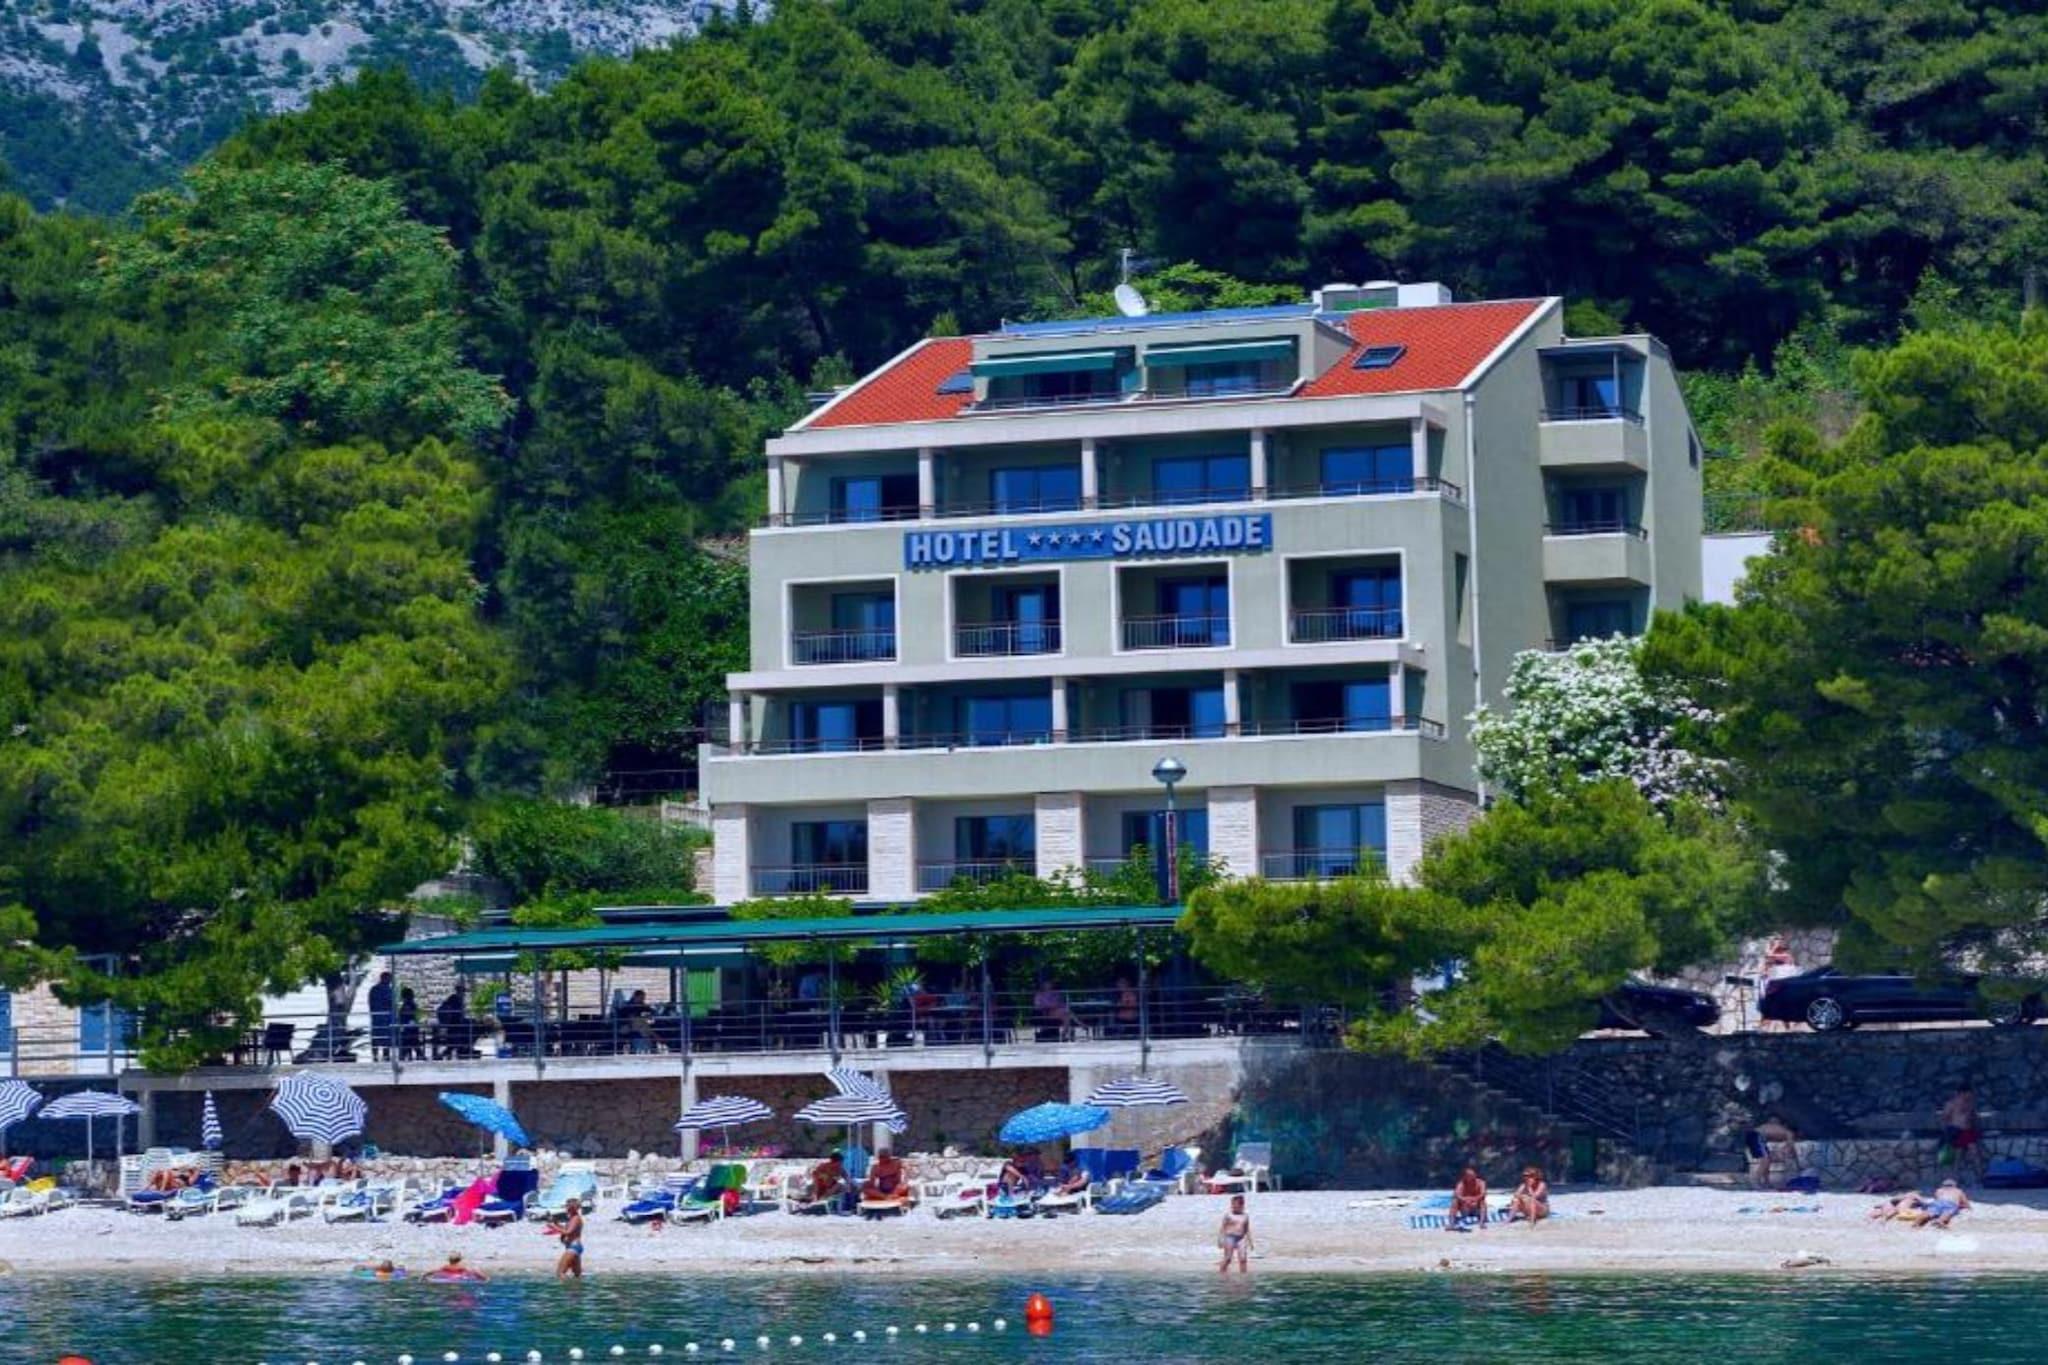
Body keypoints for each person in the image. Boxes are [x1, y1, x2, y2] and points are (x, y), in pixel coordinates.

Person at [1939, 1084, 1982, 1181]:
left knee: (1975, 1153)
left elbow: (1974, 1118)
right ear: (1962, 1093)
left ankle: (1980, 1176)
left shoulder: (1971, 1104)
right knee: (1958, 1155)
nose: (1970, 1095)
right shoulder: (1952, 1104)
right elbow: (1944, 1118)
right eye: (1968, 1093)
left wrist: (1976, 1127)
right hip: (1957, 1131)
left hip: (1968, 1131)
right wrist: (1947, 1131)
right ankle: (1955, 1177)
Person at [1907, 1178, 1972, 1229]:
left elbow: (1936, 1199)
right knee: (1947, 1212)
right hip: (1951, 1203)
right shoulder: (1958, 1191)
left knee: (1930, 1211)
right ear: (1954, 1185)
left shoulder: (1939, 1190)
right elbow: (1966, 1204)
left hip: (1939, 1202)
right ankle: (1940, 1221)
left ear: (1943, 1185)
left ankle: (1917, 1222)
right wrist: (1960, 1206)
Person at [1217, 1194, 1253, 1273]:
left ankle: (1243, 1275)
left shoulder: (1245, 1216)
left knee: (1243, 1259)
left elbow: (1247, 1229)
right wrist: (1220, 1239)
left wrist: (1250, 1241)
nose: (1233, 1206)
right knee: (1228, 1258)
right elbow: (1222, 1228)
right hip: (1230, 1237)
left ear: (1241, 1205)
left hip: (1241, 1238)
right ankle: (1222, 1273)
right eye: (1232, 1204)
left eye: (1235, 1204)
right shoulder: (1228, 1215)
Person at [615, 989, 657, 1053]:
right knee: (642, 1026)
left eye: (643, 998)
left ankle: (652, 1045)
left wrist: (650, 1012)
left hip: (639, 1026)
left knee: (645, 1027)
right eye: (641, 998)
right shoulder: (628, 1006)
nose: (642, 1000)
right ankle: (654, 1041)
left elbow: (651, 1011)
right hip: (627, 1026)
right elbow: (629, 1018)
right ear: (635, 996)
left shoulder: (642, 1005)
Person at [436, 987, 472, 1059]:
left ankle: (443, 1055)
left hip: (454, 1025)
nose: (463, 994)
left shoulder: (456, 999)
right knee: (454, 1042)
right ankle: (443, 1055)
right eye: (462, 992)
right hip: (453, 1024)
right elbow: (456, 1013)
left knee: (453, 1043)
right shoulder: (455, 999)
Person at [556, 1197, 585, 1280]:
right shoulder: (573, 1218)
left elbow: (568, 1232)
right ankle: (576, 1288)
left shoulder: (575, 1218)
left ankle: (563, 1287)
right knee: (577, 1275)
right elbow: (567, 1230)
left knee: (560, 1273)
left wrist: (554, 1227)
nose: (566, 1208)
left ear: (571, 1207)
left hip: (573, 1247)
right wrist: (557, 1224)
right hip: (575, 1247)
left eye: (567, 1206)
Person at [368, 971, 395, 1061]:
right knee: (376, 1038)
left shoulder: (389, 989)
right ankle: (375, 1056)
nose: (389, 981)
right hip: (378, 1018)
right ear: (383, 978)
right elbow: (373, 1003)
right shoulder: (375, 989)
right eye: (388, 979)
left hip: (387, 1018)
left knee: (386, 1038)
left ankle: (386, 1055)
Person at [398, 987, 423, 1061]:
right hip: (412, 1027)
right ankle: (418, 1054)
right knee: (413, 1041)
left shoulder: (407, 1005)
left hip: (408, 1027)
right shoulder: (412, 1004)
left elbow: (404, 1016)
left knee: (408, 1042)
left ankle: (405, 1055)